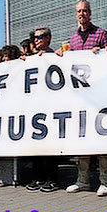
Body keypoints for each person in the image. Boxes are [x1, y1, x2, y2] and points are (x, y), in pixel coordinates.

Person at [57, 0, 107, 197]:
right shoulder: (72, 39)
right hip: (80, 97)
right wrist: (59, 56)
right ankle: (83, 180)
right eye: (78, 11)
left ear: (90, 13)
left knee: (102, 140)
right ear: (76, 14)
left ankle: (105, 181)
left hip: (98, 95)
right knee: (83, 140)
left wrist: (101, 54)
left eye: (84, 11)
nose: (81, 14)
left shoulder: (101, 34)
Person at [25, 27, 60, 193]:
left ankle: (51, 179)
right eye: (34, 37)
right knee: (36, 145)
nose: (36, 40)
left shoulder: (56, 57)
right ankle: (37, 177)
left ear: (48, 38)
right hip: (35, 108)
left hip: (51, 107)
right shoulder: (31, 60)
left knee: (50, 147)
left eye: (39, 37)